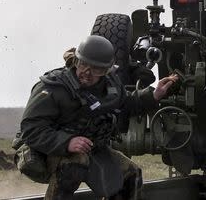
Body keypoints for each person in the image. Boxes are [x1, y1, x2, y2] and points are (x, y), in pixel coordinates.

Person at [14, 35, 178, 200]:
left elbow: (125, 102)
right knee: (75, 163)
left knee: (131, 176)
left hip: (91, 149)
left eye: (96, 69)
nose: (86, 72)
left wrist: (153, 94)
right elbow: (30, 129)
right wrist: (67, 142)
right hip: (47, 151)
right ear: (76, 60)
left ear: (106, 70)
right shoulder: (53, 87)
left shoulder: (110, 84)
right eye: (82, 64)